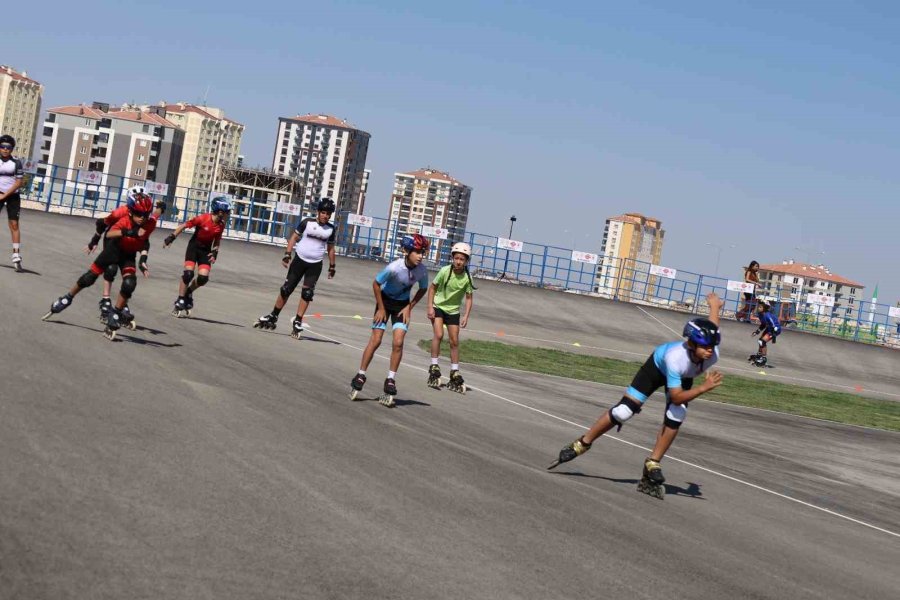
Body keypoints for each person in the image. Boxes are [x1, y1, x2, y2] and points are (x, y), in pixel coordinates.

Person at [548, 292, 725, 500]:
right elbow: (677, 396)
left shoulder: (712, 354)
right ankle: (583, 443)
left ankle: (653, 463)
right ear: (692, 344)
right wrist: (703, 388)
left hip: (682, 377)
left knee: (677, 414)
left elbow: (713, 326)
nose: (710, 351)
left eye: (712, 346)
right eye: (705, 347)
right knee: (623, 412)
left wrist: (715, 306)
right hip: (656, 368)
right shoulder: (676, 358)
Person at [43, 193, 156, 340]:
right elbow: (109, 233)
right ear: (130, 211)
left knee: (129, 284)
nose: (142, 218)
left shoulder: (150, 223)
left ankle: (116, 313)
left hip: (129, 255)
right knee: (90, 278)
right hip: (113, 249)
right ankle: (67, 298)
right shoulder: (122, 218)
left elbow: (145, 241)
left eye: (146, 215)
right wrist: (125, 233)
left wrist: (143, 260)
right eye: (139, 214)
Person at [349, 234, 430, 407]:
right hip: (384, 302)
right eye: (417, 252)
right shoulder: (394, 267)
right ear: (406, 251)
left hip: (402, 306)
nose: (420, 256)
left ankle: (390, 379)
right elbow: (376, 284)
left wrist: (410, 307)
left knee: (398, 342)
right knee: (376, 340)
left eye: (422, 252)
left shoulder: (422, 270)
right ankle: (361, 374)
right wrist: (381, 308)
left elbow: (423, 288)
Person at [254, 198, 337, 338]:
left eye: (328, 214)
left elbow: (331, 249)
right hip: (299, 261)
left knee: (307, 294)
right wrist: (287, 254)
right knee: (286, 289)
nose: (326, 216)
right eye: (323, 212)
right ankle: (273, 315)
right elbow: (293, 238)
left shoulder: (331, 229)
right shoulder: (307, 222)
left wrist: (332, 266)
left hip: (315, 265)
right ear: (318, 212)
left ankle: (298, 321)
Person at [86, 188, 166, 320]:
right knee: (111, 268)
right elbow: (101, 224)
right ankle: (105, 300)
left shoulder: (143, 215)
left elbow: (153, 217)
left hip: (131, 239)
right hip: (114, 238)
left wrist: (161, 208)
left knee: (129, 279)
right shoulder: (120, 212)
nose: (142, 214)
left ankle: (123, 304)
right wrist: (94, 241)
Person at [163, 196, 230, 317]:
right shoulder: (203, 218)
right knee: (188, 274)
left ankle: (188, 292)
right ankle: (180, 299)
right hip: (193, 248)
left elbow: (217, 240)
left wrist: (215, 252)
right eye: (227, 212)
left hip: (205, 251)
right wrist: (171, 237)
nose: (228, 214)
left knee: (203, 278)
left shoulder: (221, 225)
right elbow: (184, 226)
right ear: (220, 211)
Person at [426, 242, 476, 393]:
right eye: (457, 258)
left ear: (466, 261)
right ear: (453, 258)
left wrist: (466, 316)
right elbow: (432, 288)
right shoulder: (445, 271)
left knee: (454, 341)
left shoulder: (467, 277)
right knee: (439, 335)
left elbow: (469, 298)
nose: (459, 261)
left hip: (453, 311)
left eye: (462, 259)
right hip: (438, 306)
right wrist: (430, 307)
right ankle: (434, 365)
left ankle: (454, 371)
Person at [0, 134, 25, 271]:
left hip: (12, 195)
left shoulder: (16, 163)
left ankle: (16, 254)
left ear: (12, 149)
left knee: (14, 224)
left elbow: (19, 183)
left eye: (8, 147)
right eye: (2, 146)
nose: (5, 149)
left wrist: (4, 195)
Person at [749, 299, 781, 367]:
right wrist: (757, 332)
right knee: (760, 341)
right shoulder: (760, 314)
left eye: (760, 307)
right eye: (758, 306)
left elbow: (773, 325)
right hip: (769, 328)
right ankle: (759, 355)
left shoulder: (767, 315)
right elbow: (763, 324)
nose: (758, 308)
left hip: (775, 329)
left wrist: (773, 335)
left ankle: (763, 359)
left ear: (765, 308)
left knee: (762, 341)